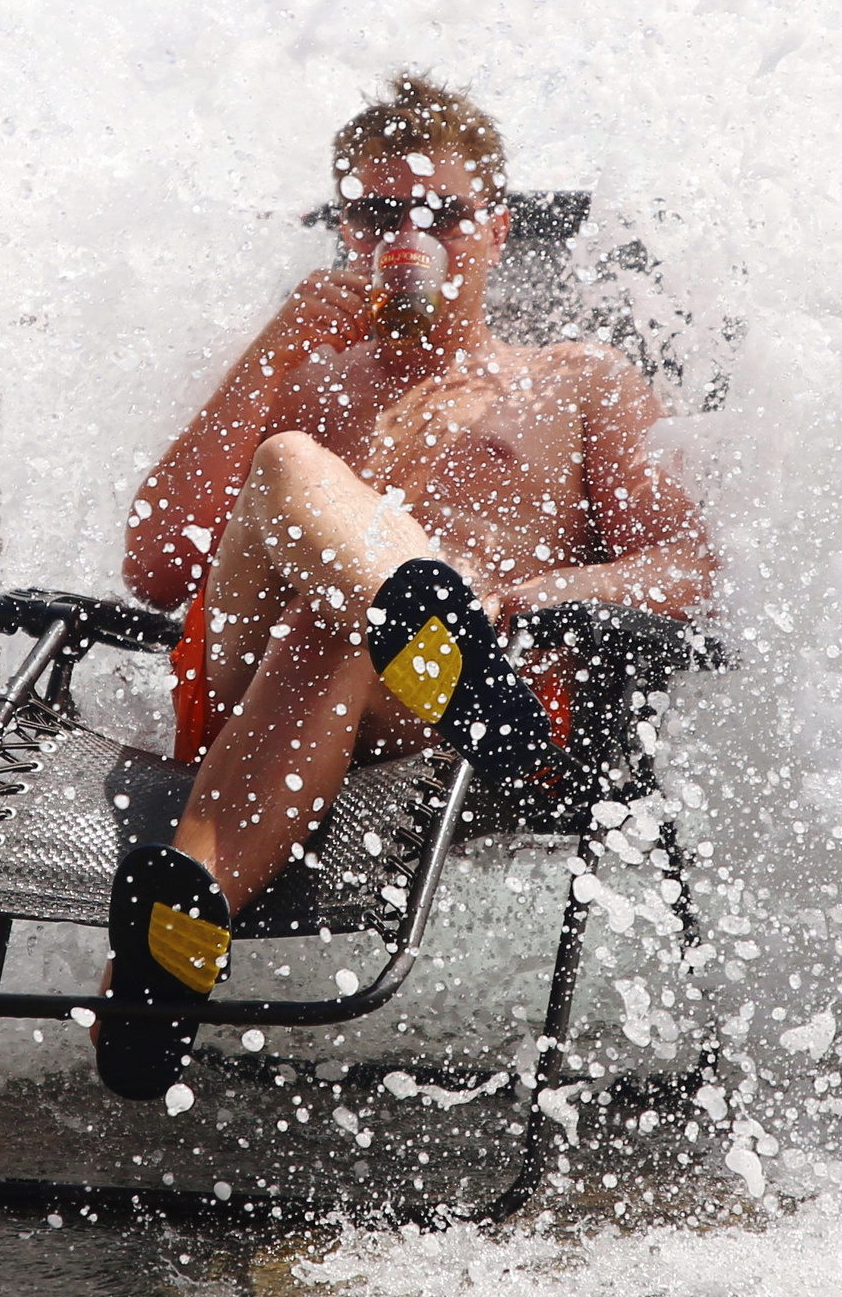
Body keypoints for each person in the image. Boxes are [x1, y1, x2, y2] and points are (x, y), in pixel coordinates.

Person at [95, 73, 715, 1099]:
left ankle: (172, 936)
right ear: (345, 227)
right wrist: (276, 346)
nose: (407, 235)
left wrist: (521, 596)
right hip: (262, 680)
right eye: (378, 212)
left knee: (335, 630)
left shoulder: (574, 382)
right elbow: (157, 565)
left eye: (440, 213)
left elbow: (684, 567)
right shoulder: (298, 371)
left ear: (496, 228)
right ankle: (429, 629)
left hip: (466, 721)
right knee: (294, 467)